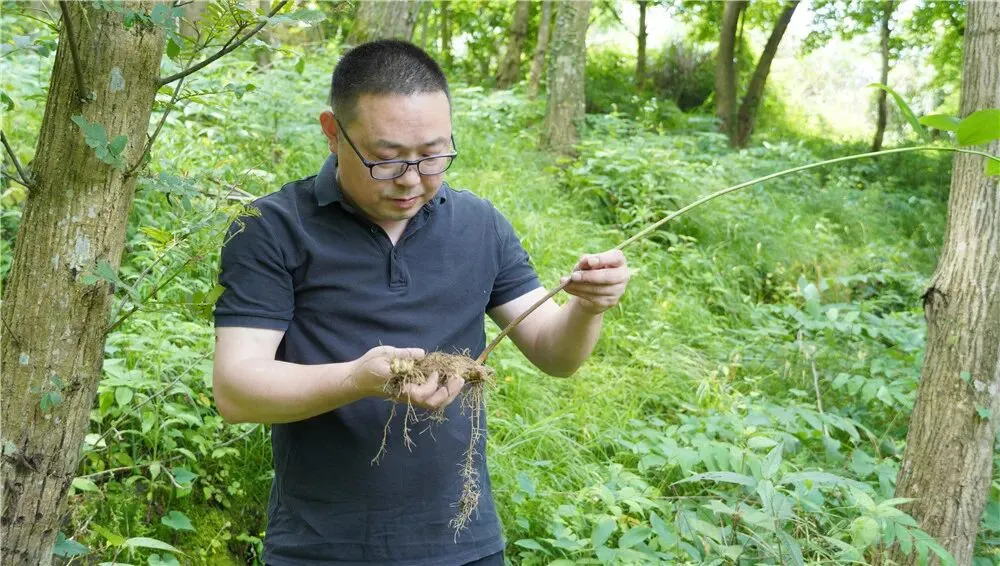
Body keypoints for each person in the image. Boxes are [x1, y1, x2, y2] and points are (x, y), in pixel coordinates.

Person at [212, 40, 630, 566]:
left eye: (433, 155)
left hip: (464, 544)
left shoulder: (480, 225)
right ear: (332, 133)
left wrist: (588, 307)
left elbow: (556, 355)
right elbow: (236, 391)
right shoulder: (272, 229)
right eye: (386, 160)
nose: (412, 180)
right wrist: (360, 379)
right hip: (321, 548)